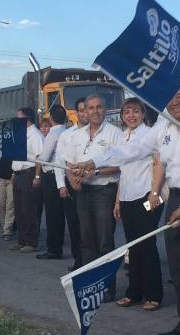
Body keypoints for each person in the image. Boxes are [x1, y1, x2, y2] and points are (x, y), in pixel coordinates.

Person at [75, 82, 180, 335]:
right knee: (179, 263)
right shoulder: (164, 125)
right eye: (170, 98)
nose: (175, 102)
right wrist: (94, 162)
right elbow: (132, 149)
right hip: (176, 197)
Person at [113, 98, 163, 310]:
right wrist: (117, 201)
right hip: (126, 197)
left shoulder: (150, 134)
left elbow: (159, 164)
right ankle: (134, 292)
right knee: (132, 246)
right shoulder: (122, 137)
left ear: (143, 113)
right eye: (127, 112)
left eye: (135, 111)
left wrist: (155, 192)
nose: (131, 116)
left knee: (147, 245)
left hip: (148, 197)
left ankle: (153, 294)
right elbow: (122, 173)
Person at [69, 95, 122, 291]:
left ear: (105, 109)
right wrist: (72, 179)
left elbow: (119, 165)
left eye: (99, 107)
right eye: (91, 108)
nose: (95, 111)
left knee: (104, 241)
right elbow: (69, 163)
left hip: (104, 191)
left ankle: (107, 287)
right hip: (83, 192)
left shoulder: (114, 133)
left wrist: (96, 171)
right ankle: (91, 285)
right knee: (86, 241)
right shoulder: (77, 135)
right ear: (85, 111)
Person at [55, 97, 88, 271]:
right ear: (76, 113)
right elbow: (59, 161)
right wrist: (61, 185)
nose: (85, 113)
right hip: (71, 186)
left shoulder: (100, 133)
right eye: (81, 110)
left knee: (92, 227)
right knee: (74, 224)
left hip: (93, 186)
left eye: (87, 109)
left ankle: (93, 260)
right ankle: (79, 260)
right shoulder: (66, 135)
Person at [37, 104, 71, 261]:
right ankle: (59, 244)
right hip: (65, 175)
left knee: (52, 214)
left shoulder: (53, 133)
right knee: (61, 213)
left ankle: (54, 248)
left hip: (51, 175)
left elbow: (44, 157)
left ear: (51, 118)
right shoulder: (68, 131)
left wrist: (38, 160)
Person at [10, 107, 45, 253]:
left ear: (27, 119)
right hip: (18, 173)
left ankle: (31, 241)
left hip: (29, 173)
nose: (16, 120)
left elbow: (40, 158)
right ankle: (21, 239)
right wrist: (13, 173)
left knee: (29, 208)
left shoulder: (35, 135)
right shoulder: (21, 134)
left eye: (19, 117)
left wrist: (37, 176)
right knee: (19, 209)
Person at [0, 152, 16, 240]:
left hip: (12, 179)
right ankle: (5, 225)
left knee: (10, 204)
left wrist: (14, 175)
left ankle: (7, 229)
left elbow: (17, 162)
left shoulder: (14, 146)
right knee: (0, 203)